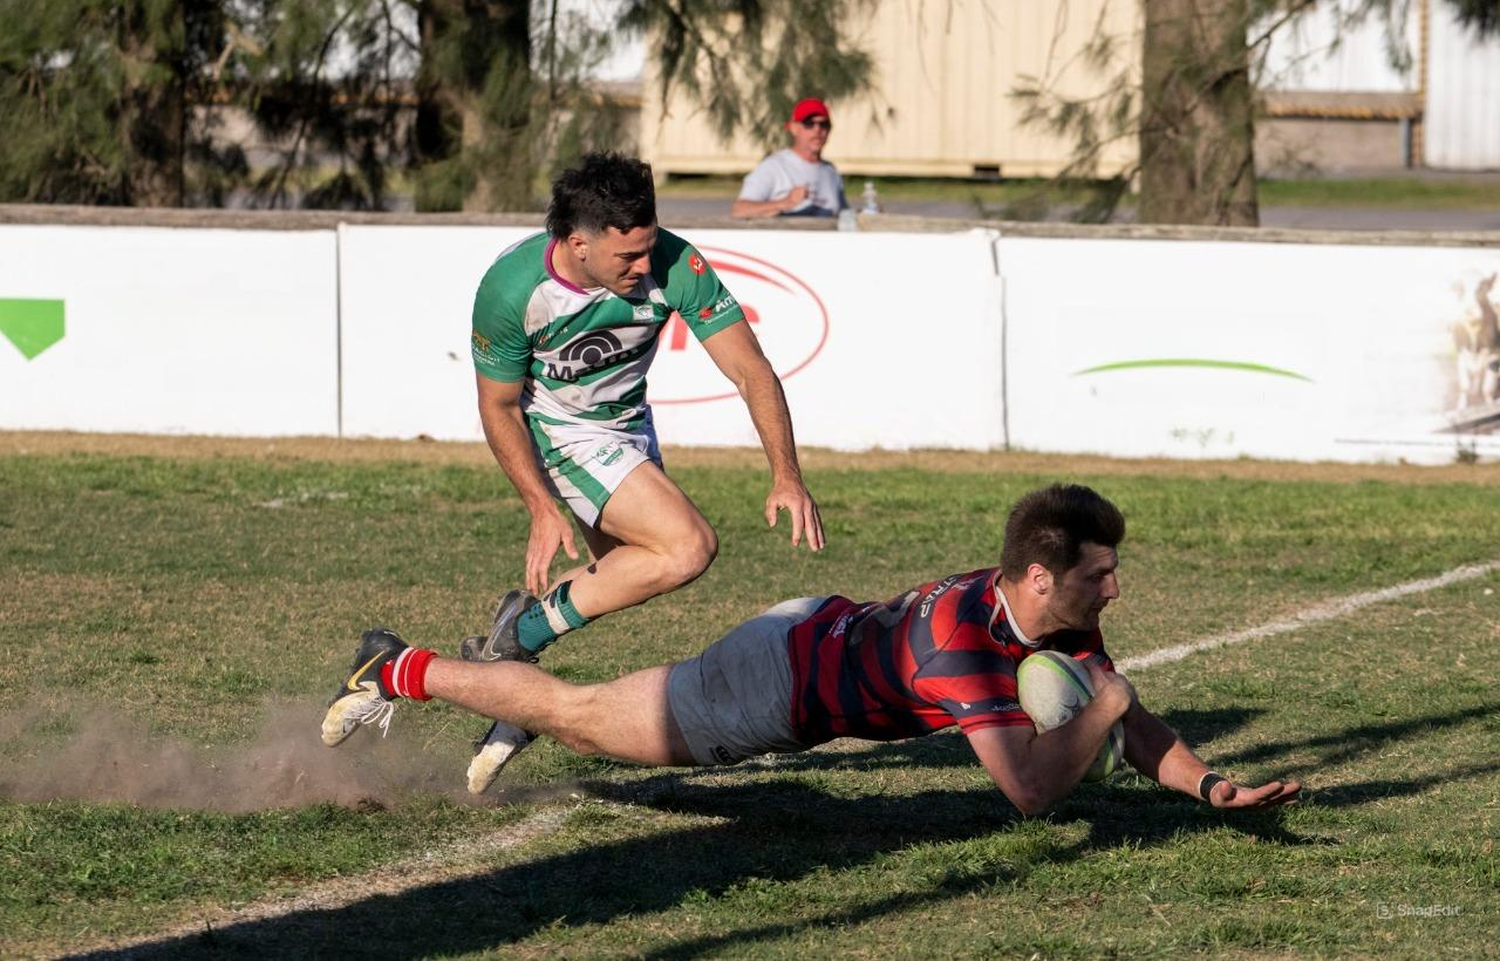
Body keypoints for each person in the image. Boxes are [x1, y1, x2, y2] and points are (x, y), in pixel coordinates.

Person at [322, 484, 1300, 813]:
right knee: (581, 716)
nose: (1114, 589)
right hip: (771, 684)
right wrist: (1106, 709)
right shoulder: (963, 648)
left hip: (811, 630)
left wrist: (1213, 788)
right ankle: (395, 663)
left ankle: (477, 681)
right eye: (1101, 574)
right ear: (1041, 578)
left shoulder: (1046, 611)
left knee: (582, 706)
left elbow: (1115, 703)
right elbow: (1035, 792)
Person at [463, 151, 825, 791]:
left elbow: (751, 370)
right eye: (626, 257)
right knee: (687, 547)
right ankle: (515, 645)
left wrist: (786, 475)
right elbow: (497, 406)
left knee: (628, 568)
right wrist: (541, 506)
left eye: (648, 248)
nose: (642, 266)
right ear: (578, 244)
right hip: (561, 431)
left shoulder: (676, 263)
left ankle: (514, 668)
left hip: (629, 425)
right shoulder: (512, 289)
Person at [731, 98, 848, 219]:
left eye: (823, 124)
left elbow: (844, 216)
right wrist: (785, 203)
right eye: (809, 124)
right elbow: (739, 210)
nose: (817, 130)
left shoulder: (830, 171)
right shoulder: (774, 166)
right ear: (793, 128)